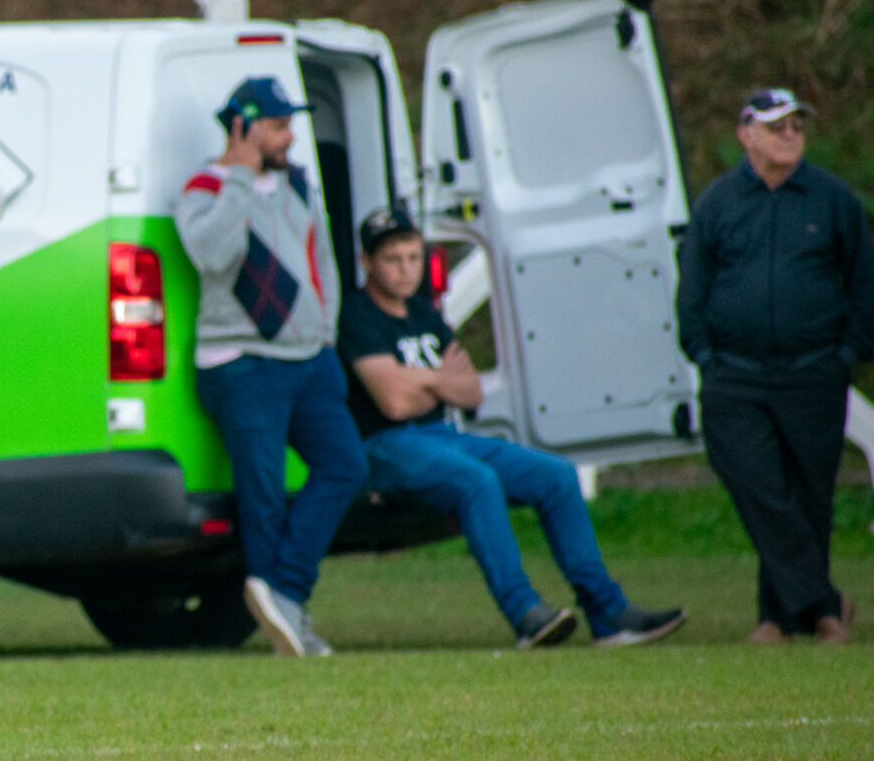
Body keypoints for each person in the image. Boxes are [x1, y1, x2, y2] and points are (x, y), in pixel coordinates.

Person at [341, 206, 686, 648]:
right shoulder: (356, 315)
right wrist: (438, 380)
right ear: (367, 262)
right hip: (384, 445)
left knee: (557, 476)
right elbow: (391, 402)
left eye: (412, 256)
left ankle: (610, 614)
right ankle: (526, 614)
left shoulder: (424, 314)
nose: (406, 270)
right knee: (477, 482)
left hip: (441, 437)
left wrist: (418, 381)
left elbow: (471, 392)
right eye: (392, 259)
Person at [677, 88, 874, 645]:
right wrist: (701, 350)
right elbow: (693, 282)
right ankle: (825, 601)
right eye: (776, 126)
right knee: (756, 482)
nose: (789, 134)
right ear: (746, 134)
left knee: (808, 492)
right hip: (735, 373)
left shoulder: (830, 199)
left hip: (814, 369)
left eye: (796, 125)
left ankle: (782, 618)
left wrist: (851, 352)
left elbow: (863, 279)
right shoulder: (718, 203)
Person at [173, 76, 367, 656]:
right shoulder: (203, 188)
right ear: (244, 127)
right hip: (243, 365)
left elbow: (324, 261)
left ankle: (283, 591)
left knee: (345, 465)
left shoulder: (297, 183)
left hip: (311, 361)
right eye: (279, 125)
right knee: (261, 497)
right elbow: (212, 254)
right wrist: (236, 175)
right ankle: (288, 617)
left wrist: (325, 332)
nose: (289, 136)